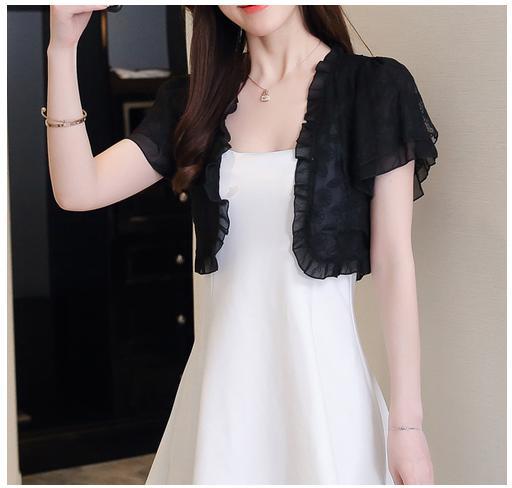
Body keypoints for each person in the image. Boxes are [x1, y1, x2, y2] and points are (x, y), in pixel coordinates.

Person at [44, 5, 438, 485]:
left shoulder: (374, 88)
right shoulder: (195, 101)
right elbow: (78, 190)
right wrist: (62, 49)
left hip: (325, 395)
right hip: (219, 402)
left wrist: (406, 425)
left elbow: (394, 261)